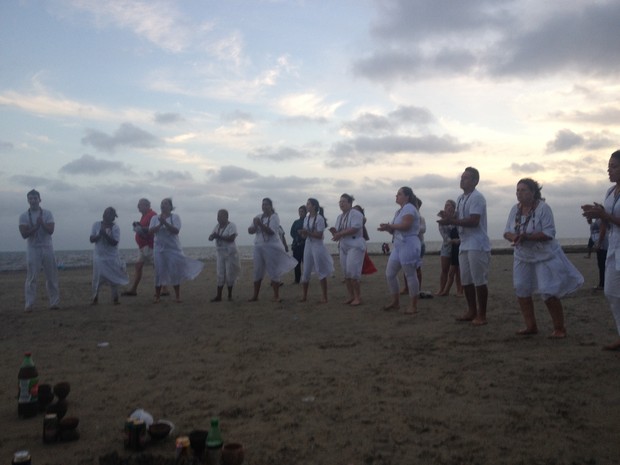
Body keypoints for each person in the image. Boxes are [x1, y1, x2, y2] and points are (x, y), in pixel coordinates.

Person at [504, 179, 583, 338]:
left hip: (544, 255)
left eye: (524, 190)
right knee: (521, 287)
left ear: (533, 192)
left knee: (548, 290)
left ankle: (559, 328)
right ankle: (530, 326)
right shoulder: (515, 209)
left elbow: (549, 233)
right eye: (517, 190)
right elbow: (506, 232)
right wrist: (515, 237)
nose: (519, 193)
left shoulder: (543, 208)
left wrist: (527, 236)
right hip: (522, 255)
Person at [437, 167, 491, 325]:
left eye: (466, 178)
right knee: (466, 280)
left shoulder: (478, 197)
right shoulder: (460, 198)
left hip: (477, 244)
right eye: (462, 177)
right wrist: (448, 216)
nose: (462, 180)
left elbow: (474, 221)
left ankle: (482, 314)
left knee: (479, 280)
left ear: (475, 181)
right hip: (464, 243)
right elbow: (458, 217)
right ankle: (471, 310)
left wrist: (452, 221)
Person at [582, 150, 620, 350]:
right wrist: (596, 212)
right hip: (613, 246)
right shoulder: (609, 192)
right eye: (609, 167)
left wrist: (604, 215)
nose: (609, 171)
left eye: (614, 166)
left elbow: (610, 216)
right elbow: (606, 218)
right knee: (612, 292)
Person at [148, 198, 204, 303]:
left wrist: (165, 223)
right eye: (161, 203)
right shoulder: (155, 218)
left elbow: (176, 231)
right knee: (158, 271)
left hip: (172, 248)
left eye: (165, 204)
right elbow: (150, 231)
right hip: (158, 249)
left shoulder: (175, 217)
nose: (163, 205)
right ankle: (157, 297)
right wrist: (160, 224)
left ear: (170, 206)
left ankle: (177, 296)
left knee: (174, 271)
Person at [378, 187, 422, 314]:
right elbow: (395, 229)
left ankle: (413, 305)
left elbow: (406, 225)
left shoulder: (409, 208)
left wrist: (390, 226)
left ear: (407, 196)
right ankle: (395, 302)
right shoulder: (399, 211)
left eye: (399, 194)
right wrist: (387, 228)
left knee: (410, 274)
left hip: (408, 243)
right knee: (390, 273)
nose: (396, 196)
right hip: (398, 244)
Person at [248, 198, 298, 302]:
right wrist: (254, 225)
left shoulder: (274, 217)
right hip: (258, 246)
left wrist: (260, 225)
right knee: (257, 270)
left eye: (266, 204)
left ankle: (276, 295)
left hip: (271, 247)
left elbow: (271, 232)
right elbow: (250, 230)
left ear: (271, 206)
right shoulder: (258, 217)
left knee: (273, 270)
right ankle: (255, 295)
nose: (264, 206)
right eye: (263, 204)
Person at [18, 189, 60, 311]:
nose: (33, 200)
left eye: (35, 198)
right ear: (28, 201)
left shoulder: (47, 213)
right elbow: (24, 234)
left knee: (51, 276)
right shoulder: (24, 216)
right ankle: (29, 304)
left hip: (47, 247)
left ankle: (54, 302)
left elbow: (51, 230)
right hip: (33, 249)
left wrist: (42, 224)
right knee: (31, 277)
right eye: (30, 198)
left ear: (39, 200)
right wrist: (35, 227)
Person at [329, 194, 366, 306]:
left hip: (355, 244)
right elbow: (339, 232)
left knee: (353, 272)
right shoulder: (340, 217)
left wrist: (340, 233)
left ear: (350, 203)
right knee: (346, 273)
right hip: (344, 244)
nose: (341, 204)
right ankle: (351, 296)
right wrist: (335, 233)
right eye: (340, 202)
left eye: (344, 201)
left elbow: (355, 228)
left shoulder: (356, 214)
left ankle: (358, 297)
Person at [89, 207, 129, 305]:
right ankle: (95, 298)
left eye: (109, 214)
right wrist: (99, 235)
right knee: (97, 278)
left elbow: (114, 242)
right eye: (105, 213)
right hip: (99, 256)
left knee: (114, 278)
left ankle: (115, 298)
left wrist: (105, 235)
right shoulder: (96, 225)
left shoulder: (115, 227)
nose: (106, 215)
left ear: (113, 217)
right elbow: (91, 239)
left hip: (111, 257)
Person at [122, 198, 161, 297]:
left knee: (157, 267)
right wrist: (138, 227)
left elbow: (154, 228)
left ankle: (163, 288)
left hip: (150, 246)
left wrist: (141, 228)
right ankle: (134, 289)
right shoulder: (144, 216)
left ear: (147, 205)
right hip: (143, 246)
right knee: (139, 266)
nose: (138, 207)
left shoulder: (153, 215)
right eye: (138, 205)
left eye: (140, 205)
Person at [298, 198, 334, 303]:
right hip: (308, 244)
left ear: (314, 206)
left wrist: (307, 233)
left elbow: (319, 235)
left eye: (308, 204)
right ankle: (304, 296)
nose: (306, 205)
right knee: (306, 270)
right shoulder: (306, 219)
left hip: (317, 245)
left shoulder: (319, 219)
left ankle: (324, 296)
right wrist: (302, 234)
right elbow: (306, 235)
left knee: (320, 269)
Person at [208, 209, 241, 302]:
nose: (218, 218)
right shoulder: (217, 226)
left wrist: (218, 236)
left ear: (226, 217)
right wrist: (211, 237)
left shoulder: (231, 226)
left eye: (221, 216)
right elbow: (211, 237)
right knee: (220, 273)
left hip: (230, 253)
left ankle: (230, 295)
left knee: (230, 274)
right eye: (218, 216)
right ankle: (219, 296)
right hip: (220, 253)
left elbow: (231, 238)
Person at [436, 199, 463, 296]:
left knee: (457, 270)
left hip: (458, 245)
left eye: (450, 205)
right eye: (446, 205)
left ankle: (459, 290)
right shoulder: (442, 221)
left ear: (454, 207)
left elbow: (461, 229)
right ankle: (442, 289)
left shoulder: (458, 217)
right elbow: (444, 236)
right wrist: (452, 241)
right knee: (444, 269)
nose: (448, 207)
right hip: (447, 245)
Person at [353, 204, 377, 275]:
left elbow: (363, 220)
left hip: (360, 240)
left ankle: (357, 274)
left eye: (356, 210)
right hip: (353, 241)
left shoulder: (362, 218)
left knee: (360, 259)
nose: (354, 211)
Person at [290, 205, 307, 284]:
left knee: (306, 262)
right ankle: (297, 279)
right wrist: (297, 235)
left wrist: (303, 233)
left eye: (302, 211)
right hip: (297, 245)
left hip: (305, 245)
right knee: (296, 263)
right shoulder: (296, 222)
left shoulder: (308, 220)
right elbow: (291, 232)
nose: (300, 213)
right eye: (299, 211)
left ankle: (306, 278)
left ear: (305, 212)